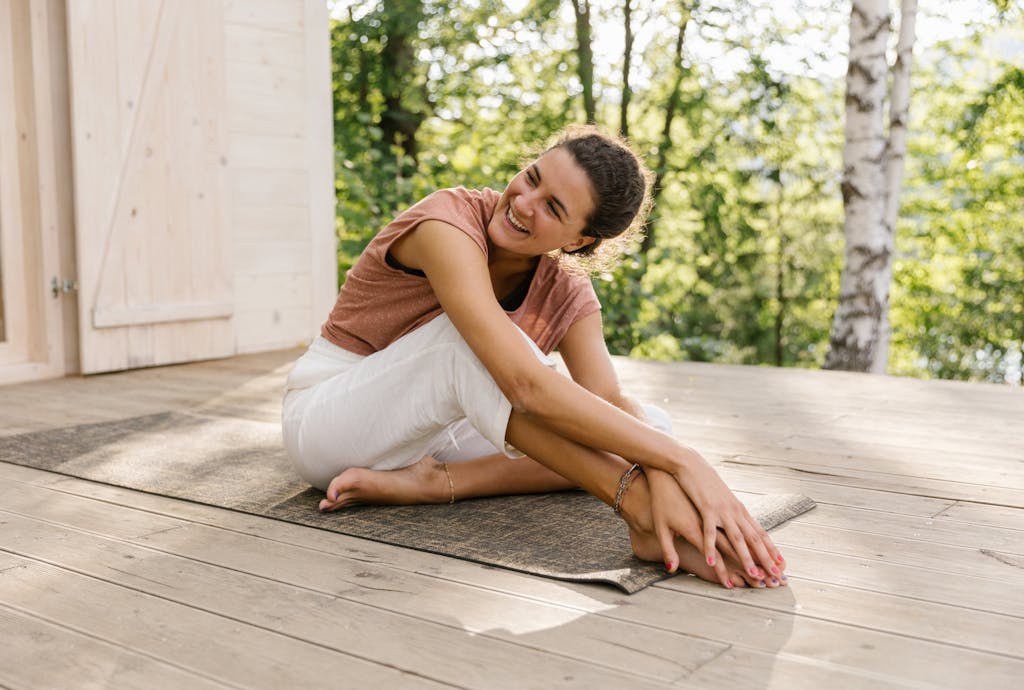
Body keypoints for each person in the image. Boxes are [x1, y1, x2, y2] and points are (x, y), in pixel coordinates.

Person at [282, 125, 786, 589]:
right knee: (464, 348)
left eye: (554, 208)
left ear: (580, 240)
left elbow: (606, 400)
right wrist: (681, 464)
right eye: (531, 178)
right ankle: (638, 513)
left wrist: (662, 460)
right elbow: (524, 386)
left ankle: (438, 482)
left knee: (646, 421)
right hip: (328, 419)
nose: (524, 203)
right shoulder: (447, 222)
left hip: (435, 431)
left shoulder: (566, 287)